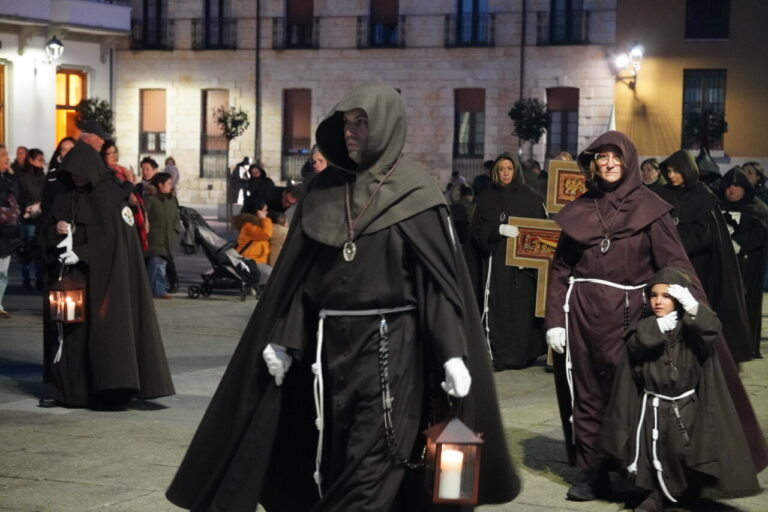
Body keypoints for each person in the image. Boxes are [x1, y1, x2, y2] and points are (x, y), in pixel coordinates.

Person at [166, 83, 519, 511]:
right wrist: (285, 338)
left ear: (386, 126)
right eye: (347, 122)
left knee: (372, 465)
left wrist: (451, 353)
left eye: (362, 122)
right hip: (327, 356)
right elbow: (300, 281)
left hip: (393, 353)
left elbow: (436, 285)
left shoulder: (416, 192)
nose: (351, 132)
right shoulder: (323, 192)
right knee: (332, 459)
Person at [544, 131, 767, 502]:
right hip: (580, 314)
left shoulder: (650, 206)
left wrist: (690, 303)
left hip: (630, 315)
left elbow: (675, 263)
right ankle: (591, 470)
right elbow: (560, 268)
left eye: (616, 157)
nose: (609, 163)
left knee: (628, 394)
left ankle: (636, 469)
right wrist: (554, 319)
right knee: (585, 394)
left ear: (628, 161)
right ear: (593, 163)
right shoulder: (582, 206)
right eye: (602, 157)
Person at [601, 268, 760, 512]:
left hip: (685, 405)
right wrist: (658, 328)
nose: (658, 301)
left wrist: (694, 308)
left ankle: (684, 491)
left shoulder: (691, 330)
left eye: (665, 296)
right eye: (654, 295)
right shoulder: (645, 327)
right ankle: (653, 494)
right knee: (651, 449)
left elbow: (711, 329)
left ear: (678, 299)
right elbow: (636, 342)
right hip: (653, 404)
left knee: (680, 450)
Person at [41, 120, 175, 408]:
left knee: (104, 336)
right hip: (72, 280)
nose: (76, 180)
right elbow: (47, 228)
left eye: (80, 175)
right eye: (72, 175)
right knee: (70, 335)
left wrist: (83, 253)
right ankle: (67, 390)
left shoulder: (110, 197)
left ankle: (106, 391)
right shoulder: (67, 195)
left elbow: (118, 242)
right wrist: (57, 230)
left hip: (104, 281)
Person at [657, 150, 751, 363]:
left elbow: (703, 236)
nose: (671, 176)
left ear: (688, 170)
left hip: (699, 269)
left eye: (677, 171)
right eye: (669, 171)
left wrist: (671, 236)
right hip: (666, 267)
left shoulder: (704, 197)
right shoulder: (662, 194)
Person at [466, 153, 547, 371]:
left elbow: (540, 228)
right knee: (498, 309)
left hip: (522, 268)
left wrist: (528, 255)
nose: (505, 173)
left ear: (516, 170)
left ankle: (522, 355)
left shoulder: (529, 196)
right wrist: (497, 229)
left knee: (521, 309)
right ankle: (499, 356)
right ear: (495, 172)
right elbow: (474, 230)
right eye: (501, 169)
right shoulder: (486, 196)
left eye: (509, 168)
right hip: (496, 264)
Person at [718, 167, 768, 359]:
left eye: (737, 186)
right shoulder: (716, 206)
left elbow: (761, 234)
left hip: (748, 268)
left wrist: (740, 243)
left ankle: (746, 345)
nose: (732, 189)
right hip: (723, 267)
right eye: (729, 186)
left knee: (747, 305)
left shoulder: (758, 208)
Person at [101, 140, 149, 251]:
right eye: (110, 153)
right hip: (118, 219)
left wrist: (135, 184)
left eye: (115, 152)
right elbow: (119, 194)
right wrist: (129, 183)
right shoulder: (105, 174)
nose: (114, 156)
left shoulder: (122, 170)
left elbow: (135, 195)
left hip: (132, 215)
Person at [144, 172, 180, 299]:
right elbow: (144, 217)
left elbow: (176, 216)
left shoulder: (171, 199)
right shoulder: (150, 200)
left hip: (168, 239)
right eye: (169, 183)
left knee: (160, 266)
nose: (171, 186)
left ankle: (154, 289)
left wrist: (176, 229)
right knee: (157, 266)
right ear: (160, 185)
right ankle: (158, 290)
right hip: (155, 239)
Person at [18, 148, 46, 290]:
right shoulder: (23, 178)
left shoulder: (44, 177)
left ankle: (39, 278)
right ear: (31, 161)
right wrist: (25, 209)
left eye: (43, 160)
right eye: (39, 160)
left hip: (41, 217)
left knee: (40, 248)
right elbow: (20, 196)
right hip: (28, 218)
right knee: (27, 249)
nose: (42, 163)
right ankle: (27, 279)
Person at [0, 144, 21, 319]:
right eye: (3, 155)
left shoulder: (8, 178)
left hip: (7, 232)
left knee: (3, 272)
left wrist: (12, 178)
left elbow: (16, 196)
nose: (7, 158)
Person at [233, 202, 273, 287]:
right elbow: (267, 233)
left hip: (256, 261)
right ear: (258, 212)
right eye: (265, 210)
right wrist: (264, 219)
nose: (266, 213)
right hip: (251, 261)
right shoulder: (249, 226)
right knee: (272, 275)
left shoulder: (254, 225)